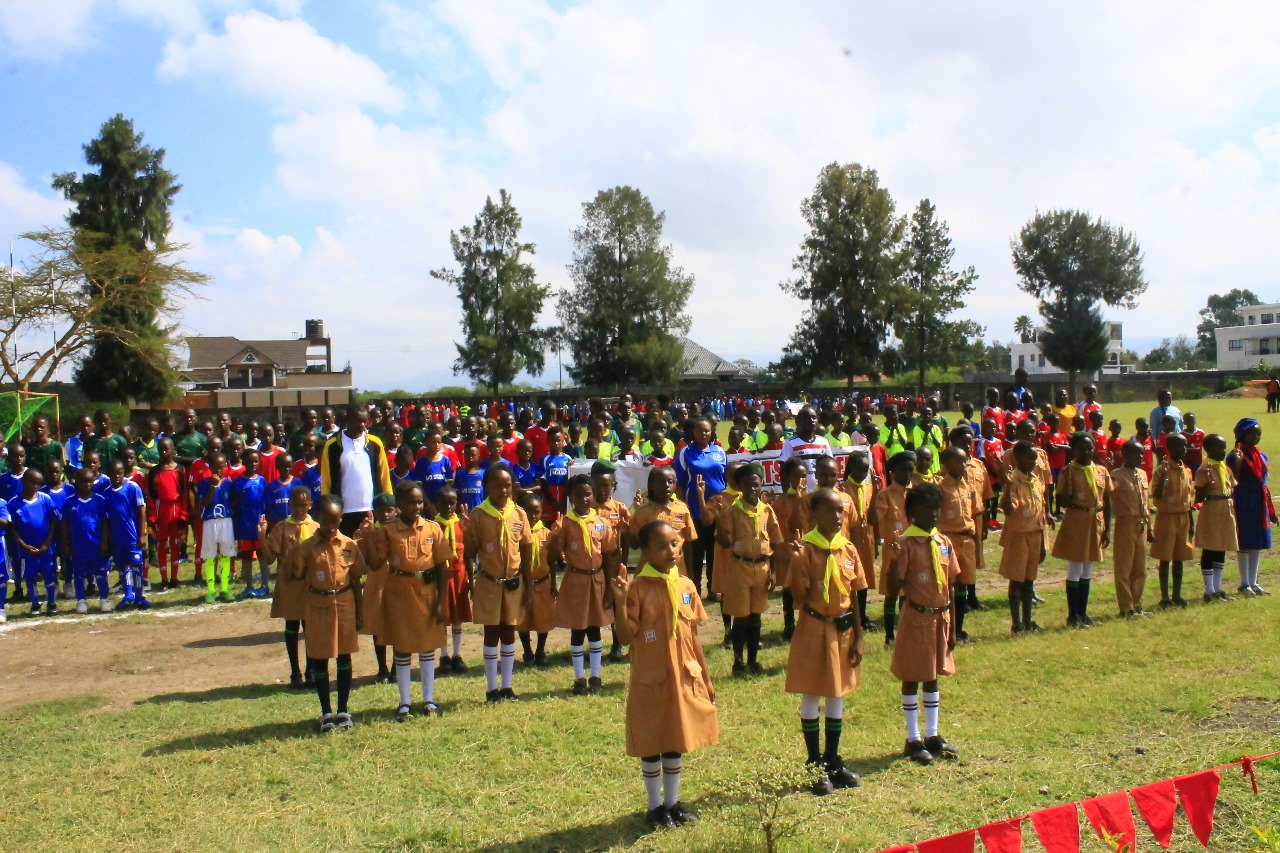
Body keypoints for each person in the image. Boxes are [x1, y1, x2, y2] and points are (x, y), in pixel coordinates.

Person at [613, 519, 718, 829]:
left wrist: (706, 678)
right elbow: (625, 636)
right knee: (651, 739)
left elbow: (693, 636)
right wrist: (619, 603)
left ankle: (673, 803)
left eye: (674, 543)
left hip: (683, 676)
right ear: (646, 552)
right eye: (661, 546)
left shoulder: (686, 585)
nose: (671, 550)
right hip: (651, 676)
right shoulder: (638, 588)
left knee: (676, 735)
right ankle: (654, 807)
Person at [784, 488, 866, 795]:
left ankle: (833, 759)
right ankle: (813, 762)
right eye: (830, 511)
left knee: (837, 692)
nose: (837, 516)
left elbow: (854, 595)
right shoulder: (806, 550)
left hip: (842, 631)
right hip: (814, 627)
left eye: (840, 511)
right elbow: (799, 598)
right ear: (813, 514)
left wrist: (859, 636)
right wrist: (796, 564)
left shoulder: (848, 549)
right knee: (811, 691)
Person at [362, 481, 451, 721]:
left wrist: (441, 600)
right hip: (399, 593)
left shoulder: (432, 529)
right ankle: (404, 702)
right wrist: (368, 539)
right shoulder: (388, 531)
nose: (417, 507)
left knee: (427, 646)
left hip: (427, 592)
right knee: (401, 648)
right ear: (400, 504)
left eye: (420, 502)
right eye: (412, 503)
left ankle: (428, 699)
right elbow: (376, 563)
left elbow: (442, 567)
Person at [886, 483, 960, 766]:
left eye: (936, 508)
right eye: (927, 508)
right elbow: (893, 589)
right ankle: (913, 738)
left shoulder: (943, 542)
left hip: (940, 618)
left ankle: (932, 734)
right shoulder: (905, 544)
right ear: (912, 513)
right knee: (912, 675)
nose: (934, 514)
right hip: (916, 618)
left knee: (932, 675)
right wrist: (894, 561)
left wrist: (952, 626)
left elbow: (950, 585)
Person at [293, 493, 365, 733]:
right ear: (318, 518)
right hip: (318, 607)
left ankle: (343, 710)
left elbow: (357, 580)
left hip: (344, 604)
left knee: (344, 657)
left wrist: (360, 613)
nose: (330, 525)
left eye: (335, 520)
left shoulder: (349, 545)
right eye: (325, 520)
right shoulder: (307, 548)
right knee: (320, 658)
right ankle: (326, 712)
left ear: (341, 518)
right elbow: (297, 577)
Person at [466, 464, 534, 702]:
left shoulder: (519, 514)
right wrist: (470, 581)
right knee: (491, 632)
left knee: (509, 631)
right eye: (497, 486)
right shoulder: (478, 515)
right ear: (487, 486)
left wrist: (529, 585)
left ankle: (507, 686)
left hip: (514, 583)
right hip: (489, 582)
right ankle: (491, 688)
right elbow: (470, 552)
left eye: (507, 486)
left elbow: (526, 550)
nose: (503, 490)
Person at [550, 474, 621, 694]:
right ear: (570, 498)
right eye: (578, 495)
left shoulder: (602, 523)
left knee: (595, 628)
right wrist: (555, 537)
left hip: (597, 580)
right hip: (575, 581)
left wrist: (609, 587)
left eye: (587, 494)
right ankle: (579, 678)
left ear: (594, 495)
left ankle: (596, 676)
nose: (583, 499)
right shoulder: (565, 524)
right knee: (578, 629)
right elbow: (552, 556)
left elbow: (609, 555)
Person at [716, 463, 782, 676]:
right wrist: (720, 523)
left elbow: (776, 542)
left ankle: (753, 661)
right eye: (747, 485)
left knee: (756, 617)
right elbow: (725, 542)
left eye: (756, 484)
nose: (752, 489)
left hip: (762, 568)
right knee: (741, 617)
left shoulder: (767, 511)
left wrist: (773, 572)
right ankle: (738, 663)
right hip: (740, 568)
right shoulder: (732, 512)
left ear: (761, 484)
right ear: (740, 487)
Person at [1051, 434, 1111, 627]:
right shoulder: (1068, 471)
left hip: (1096, 521)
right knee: (1076, 567)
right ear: (1073, 451)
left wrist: (1107, 529)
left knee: (1088, 568)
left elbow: (1107, 500)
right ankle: (1073, 616)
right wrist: (1068, 482)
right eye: (1081, 449)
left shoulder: (1101, 470)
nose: (1086, 452)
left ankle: (1083, 614)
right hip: (1077, 520)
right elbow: (1063, 501)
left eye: (1090, 448)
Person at [264, 484, 318, 688]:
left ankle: (311, 670)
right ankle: (295, 672)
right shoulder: (281, 528)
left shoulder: (316, 528)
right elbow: (270, 559)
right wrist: (261, 537)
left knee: (310, 627)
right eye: (295, 505)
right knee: (292, 626)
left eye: (303, 506)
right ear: (290, 505)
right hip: (290, 585)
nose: (299, 510)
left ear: (310, 505)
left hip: (311, 585)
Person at [1000, 441, 1052, 633]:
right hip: (1019, 537)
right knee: (1016, 580)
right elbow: (1008, 510)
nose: (1034, 462)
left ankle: (1028, 621)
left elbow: (1040, 509)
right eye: (1030, 458)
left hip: (1035, 535)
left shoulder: (1036, 479)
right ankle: (1017, 624)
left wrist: (1043, 540)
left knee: (1029, 580)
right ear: (1018, 458)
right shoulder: (1013, 482)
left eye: (1035, 458)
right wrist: (1006, 486)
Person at [674, 416, 727, 600]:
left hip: (717, 511)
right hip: (695, 511)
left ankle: (713, 588)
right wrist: (684, 508)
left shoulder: (719, 451)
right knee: (696, 553)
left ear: (711, 432)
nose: (703, 434)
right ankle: (695, 588)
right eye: (699, 430)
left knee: (715, 552)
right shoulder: (685, 453)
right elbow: (679, 484)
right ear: (693, 433)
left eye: (707, 430)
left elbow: (725, 480)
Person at [320, 405, 393, 537]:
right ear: (348, 420)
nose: (362, 425)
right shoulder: (332, 446)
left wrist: (389, 504)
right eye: (358, 421)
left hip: (371, 510)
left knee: (371, 548)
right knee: (345, 549)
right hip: (343, 512)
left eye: (365, 421)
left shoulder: (375, 444)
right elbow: (326, 480)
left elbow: (384, 477)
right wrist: (327, 508)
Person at [936, 448, 980, 642]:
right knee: (947, 586)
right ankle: (946, 629)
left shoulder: (967, 486)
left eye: (964, 462)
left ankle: (959, 628)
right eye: (958, 462)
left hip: (966, 540)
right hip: (949, 540)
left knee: (963, 585)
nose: (963, 466)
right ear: (946, 464)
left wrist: (976, 541)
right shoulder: (940, 488)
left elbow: (974, 514)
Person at [591, 460, 633, 661]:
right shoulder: (587, 508)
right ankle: (595, 644)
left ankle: (617, 645)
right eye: (597, 485)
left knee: (616, 604)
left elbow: (628, 540)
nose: (601, 489)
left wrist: (623, 564)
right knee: (594, 604)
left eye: (606, 485)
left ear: (613, 486)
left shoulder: (620, 509)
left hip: (614, 566)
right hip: (593, 566)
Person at [1106, 442, 1154, 617]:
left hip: (1141, 523)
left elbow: (1146, 503)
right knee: (1124, 567)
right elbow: (1107, 494)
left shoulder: (1142, 474)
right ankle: (1126, 607)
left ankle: (1137, 603)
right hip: (1125, 522)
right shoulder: (1116, 475)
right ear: (1125, 455)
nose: (1140, 457)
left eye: (1141, 454)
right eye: (1136, 454)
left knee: (1140, 567)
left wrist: (1150, 527)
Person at [873, 451, 915, 646]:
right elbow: (875, 519)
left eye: (910, 470)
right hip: (893, 553)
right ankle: (889, 635)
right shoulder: (885, 495)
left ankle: (906, 631)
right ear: (893, 472)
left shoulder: (915, 494)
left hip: (913, 552)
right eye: (903, 471)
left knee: (908, 595)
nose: (907, 475)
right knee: (891, 595)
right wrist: (875, 493)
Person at [1228, 418, 1273, 596]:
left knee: (1257, 542)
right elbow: (1232, 480)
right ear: (1242, 435)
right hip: (1244, 501)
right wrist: (1238, 464)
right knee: (1245, 541)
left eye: (1258, 434)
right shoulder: (1235, 456)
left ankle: (1253, 582)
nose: (1256, 437)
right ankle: (1244, 583)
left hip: (1259, 502)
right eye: (1251, 434)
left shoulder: (1261, 455)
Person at [629, 466, 698, 580]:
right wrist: (625, 529)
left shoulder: (682, 509)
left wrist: (690, 574)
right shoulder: (642, 512)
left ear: (675, 483)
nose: (666, 485)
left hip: (677, 571)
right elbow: (634, 544)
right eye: (660, 482)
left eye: (670, 482)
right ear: (651, 485)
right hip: (649, 573)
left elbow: (688, 544)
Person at [1151, 433, 1194, 609]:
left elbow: (1189, 500)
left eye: (1185, 446)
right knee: (1165, 557)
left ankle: (1177, 594)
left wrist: (1191, 523)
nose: (1184, 449)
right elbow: (1156, 495)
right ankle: (1165, 597)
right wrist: (1163, 479)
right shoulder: (1162, 470)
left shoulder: (1187, 470)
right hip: (1167, 517)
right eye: (1179, 446)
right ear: (1170, 448)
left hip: (1183, 517)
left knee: (1179, 557)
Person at [9, 469, 59, 616]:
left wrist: (46, 543)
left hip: (46, 548)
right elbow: (13, 528)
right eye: (32, 482)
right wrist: (23, 546)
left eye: (39, 483)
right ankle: (35, 604)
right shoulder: (14, 503)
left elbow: (53, 521)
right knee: (30, 577)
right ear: (23, 481)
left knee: (49, 575)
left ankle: (51, 603)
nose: (35, 486)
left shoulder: (45, 499)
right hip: (26, 550)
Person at [1194, 434, 1237, 603]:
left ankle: (1218, 588)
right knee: (1210, 549)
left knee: (1221, 548)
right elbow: (1198, 497)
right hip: (1212, 510)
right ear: (1208, 449)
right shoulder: (1204, 469)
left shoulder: (1224, 468)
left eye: (1224, 447)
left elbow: (1233, 486)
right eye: (1219, 447)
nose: (1223, 451)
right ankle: (1209, 590)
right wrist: (1206, 485)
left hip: (1226, 510)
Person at [433, 486, 471, 673]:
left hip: (459, 576)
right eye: (444, 503)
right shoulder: (433, 526)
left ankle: (457, 654)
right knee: (442, 617)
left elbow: (469, 553)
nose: (448, 507)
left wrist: (471, 579)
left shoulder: (461, 524)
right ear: (437, 504)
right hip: (441, 579)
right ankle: (444, 655)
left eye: (452, 503)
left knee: (457, 616)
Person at [63, 467, 111, 614]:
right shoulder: (69, 502)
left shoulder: (100, 500)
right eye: (83, 481)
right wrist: (65, 544)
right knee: (79, 575)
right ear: (76, 482)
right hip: (78, 546)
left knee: (101, 574)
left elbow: (105, 523)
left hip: (97, 545)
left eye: (90, 481)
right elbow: (64, 525)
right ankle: (81, 600)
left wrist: (105, 542)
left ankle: (104, 598)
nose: (87, 484)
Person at [516, 492, 555, 667]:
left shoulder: (547, 533)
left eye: (536, 512)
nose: (532, 516)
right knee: (523, 620)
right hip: (522, 584)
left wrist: (553, 583)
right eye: (528, 512)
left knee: (543, 618)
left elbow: (552, 561)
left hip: (542, 582)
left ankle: (540, 650)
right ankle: (527, 651)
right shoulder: (516, 534)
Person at [104, 460, 149, 611]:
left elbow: (141, 511)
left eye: (120, 473)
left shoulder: (132, 487)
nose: (117, 476)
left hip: (132, 536)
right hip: (117, 537)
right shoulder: (107, 493)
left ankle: (139, 596)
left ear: (124, 473)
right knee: (123, 567)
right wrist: (108, 539)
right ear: (109, 474)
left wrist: (142, 534)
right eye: (113, 473)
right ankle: (128, 595)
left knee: (136, 565)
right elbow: (106, 519)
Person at [772, 458, 807, 640]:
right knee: (787, 589)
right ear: (788, 477)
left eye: (804, 476)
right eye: (797, 477)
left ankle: (805, 623)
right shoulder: (781, 502)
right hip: (788, 551)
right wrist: (798, 501)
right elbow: (792, 527)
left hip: (806, 551)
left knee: (805, 587)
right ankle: (789, 624)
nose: (801, 480)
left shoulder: (811, 499)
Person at [147, 438, 187, 592]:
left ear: (172, 449)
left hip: (175, 510)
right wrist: (152, 517)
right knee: (162, 544)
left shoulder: (180, 470)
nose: (164, 452)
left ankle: (174, 578)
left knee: (175, 544)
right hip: (160, 510)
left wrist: (183, 516)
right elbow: (151, 496)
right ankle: (164, 578)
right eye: (161, 449)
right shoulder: (154, 471)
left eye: (167, 449)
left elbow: (184, 494)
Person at [230, 448, 269, 600]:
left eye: (256, 461)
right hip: (244, 525)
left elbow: (265, 502)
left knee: (262, 555)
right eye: (250, 461)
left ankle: (265, 585)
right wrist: (238, 498)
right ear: (244, 462)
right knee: (246, 556)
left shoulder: (262, 480)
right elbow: (232, 503)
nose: (253, 464)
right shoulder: (238, 482)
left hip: (259, 525)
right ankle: (249, 586)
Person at [198, 453, 236, 603]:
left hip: (226, 522)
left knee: (226, 554)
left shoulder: (229, 484)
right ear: (210, 467)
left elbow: (233, 502)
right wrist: (213, 486)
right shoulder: (204, 483)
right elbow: (204, 503)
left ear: (225, 467)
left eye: (221, 467)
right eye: (215, 467)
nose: (218, 470)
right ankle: (211, 591)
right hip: (210, 522)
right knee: (209, 556)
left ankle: (225, 588)